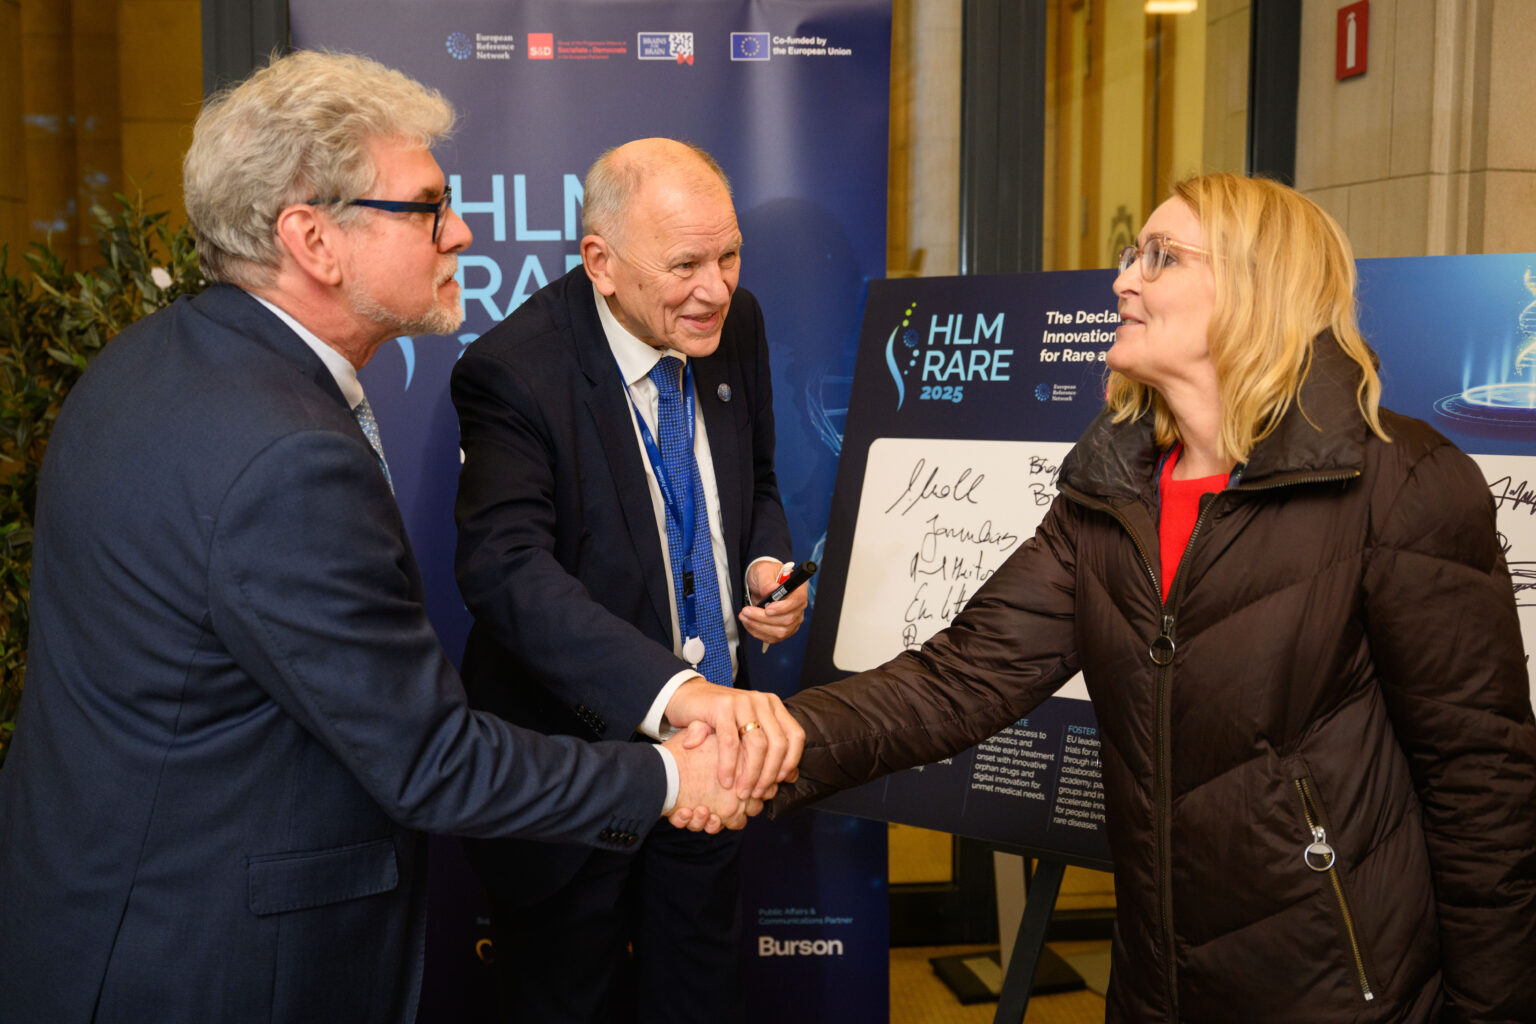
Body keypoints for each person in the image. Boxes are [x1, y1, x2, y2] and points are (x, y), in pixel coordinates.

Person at [0, 52, 755, 1024]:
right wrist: (671, 773)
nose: (462, 232)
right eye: (427, 208)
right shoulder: (286, 456)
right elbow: (433, 759)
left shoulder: (153, 361)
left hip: (98, 914)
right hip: (209, 959)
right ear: (314, 239)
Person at [771, 173, 1536, 1022]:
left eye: (1160, 258)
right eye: (1132, 255)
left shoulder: (1403, 482)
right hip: (1153, 988)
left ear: (1255, 284)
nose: (1122, 281)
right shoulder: (1112, 490)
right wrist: (769, 742)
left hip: (1343, 996)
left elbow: (1483, 786)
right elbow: (962, 679)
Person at [450, 137, 807, 1023]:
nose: (715, 290)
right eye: (685, 265)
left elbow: (756, 480)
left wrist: (761, 563)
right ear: (601, 263)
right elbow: (507, 572)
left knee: (699, 996)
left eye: (729, 257)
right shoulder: (513, 371)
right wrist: (678, 695)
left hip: (716, 759)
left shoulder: (736, 324)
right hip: (580, 766)